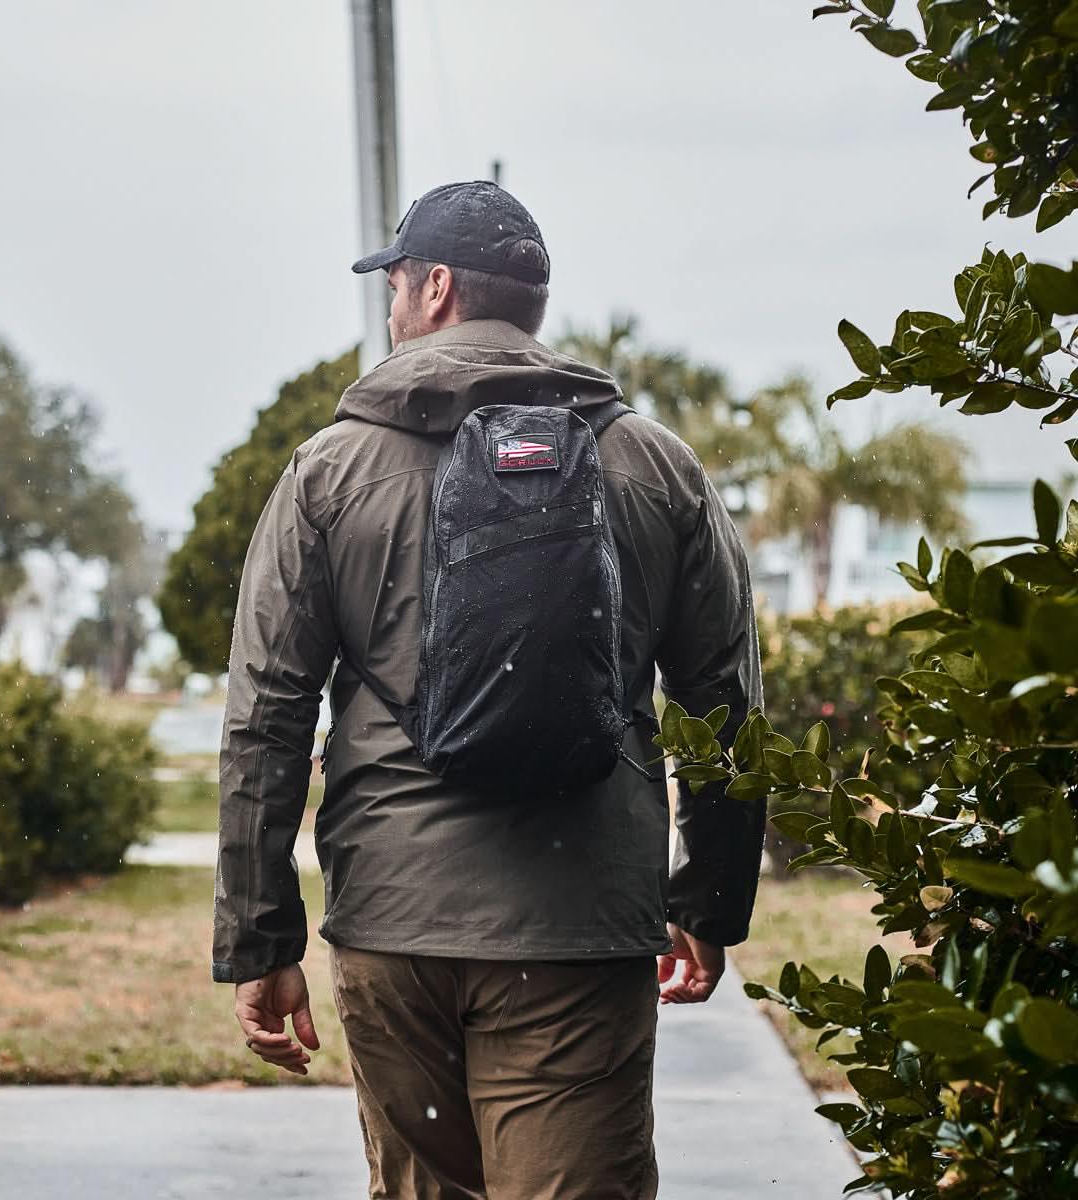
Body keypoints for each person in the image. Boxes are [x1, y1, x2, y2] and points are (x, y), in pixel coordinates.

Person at [213, 180, 765, 1200]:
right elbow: (726, 702)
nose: (390, 307)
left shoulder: (329, 472)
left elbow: (267, 719)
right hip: (579, 923)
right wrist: (710, 897)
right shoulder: (655, 467)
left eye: (393, 284)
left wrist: (260, 936)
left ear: (430, 289)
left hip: (395, 921)